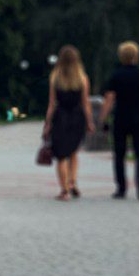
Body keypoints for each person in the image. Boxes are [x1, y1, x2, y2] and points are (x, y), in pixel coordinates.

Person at [101, 40, 139, 200]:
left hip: (120, 118)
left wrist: (103, 118)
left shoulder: (116, 76)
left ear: (121, 56)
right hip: (138, 118)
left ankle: (121, 188)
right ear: (137, 56)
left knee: (119, 155)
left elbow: (109, 99)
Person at [42, 45, 93, 200]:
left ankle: (64, 190)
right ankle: (72, 182)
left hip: (60, 117)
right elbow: (85, 103)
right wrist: (89, 122)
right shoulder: (82, 78)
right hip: (77, 118)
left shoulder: (55, 78)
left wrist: (47, 124)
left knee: (61, 156)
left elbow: (52, 104)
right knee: (73, 152)